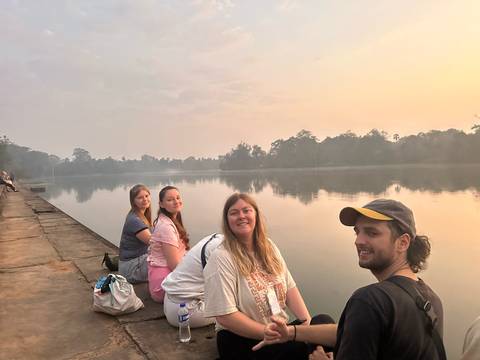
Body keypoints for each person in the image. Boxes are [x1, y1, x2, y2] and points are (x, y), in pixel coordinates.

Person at [255, 199, 445, 360]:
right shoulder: (430, 299)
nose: (358, 240)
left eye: (372, 233)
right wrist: (291, 333)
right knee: (321, 321)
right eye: (358, 231)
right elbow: (357, 331)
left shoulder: (370, 301)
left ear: (403, 242)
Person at [204, 193, 330, 360]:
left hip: (278, 333)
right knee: (299, 349)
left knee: (323, 323)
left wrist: (307, 329)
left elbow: (290, 289)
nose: (241, 216)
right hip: (242, 341)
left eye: (246, 210)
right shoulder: (221, 257)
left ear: (255, 214)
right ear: (227, 221)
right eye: (234, 213)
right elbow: (225, 316)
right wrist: (270, 333)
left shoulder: (268, 247)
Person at [162, 233, 224, 328]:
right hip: (187, 310)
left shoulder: (217, 237)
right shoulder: (222, 250)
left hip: (171, 300)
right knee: (240, 310)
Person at [148, 185, 189, 303]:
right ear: (161, 204)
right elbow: (174, 265)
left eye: (177, 197)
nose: (176, 201)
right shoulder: (166, 226)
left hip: (166, 279)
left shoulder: (169, 220)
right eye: (170, 200)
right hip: (164, 286)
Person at [118, 184, 152, 283]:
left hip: (136, 262)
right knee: (164, 259)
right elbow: (153, 242)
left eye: (146, 196)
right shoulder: (135, 220)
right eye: (140, 197)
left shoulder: (142, 216)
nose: (145, 199)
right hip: (131, 270)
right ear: (133, 201)